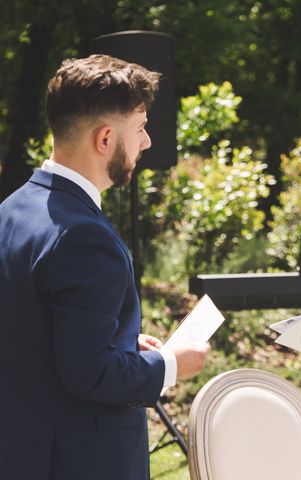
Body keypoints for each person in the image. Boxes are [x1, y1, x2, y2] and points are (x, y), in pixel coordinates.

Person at [0, 54, 210, 480]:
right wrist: (171, 363)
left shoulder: (12, 209)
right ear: (105, 139)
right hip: (78, 460)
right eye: (140, 129)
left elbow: (35, 335)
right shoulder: (84, 236)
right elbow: (88, 374)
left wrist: (122, 342)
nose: (147, 142)